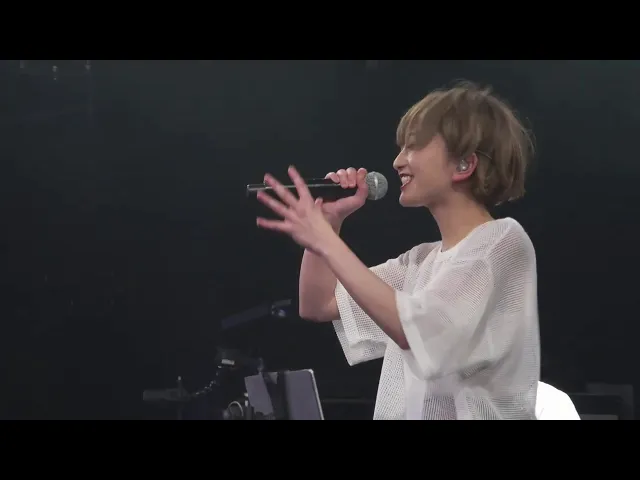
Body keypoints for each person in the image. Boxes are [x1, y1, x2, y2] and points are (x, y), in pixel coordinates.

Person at [255, 81, 539, 419]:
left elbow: (421, 331)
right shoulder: (419, 262)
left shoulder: (502, 242)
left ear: (464, 165)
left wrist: (325, 241)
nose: (397, 161)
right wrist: (330, 224)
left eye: (413, 146)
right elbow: (318, 305)